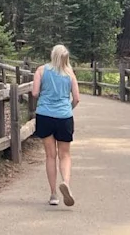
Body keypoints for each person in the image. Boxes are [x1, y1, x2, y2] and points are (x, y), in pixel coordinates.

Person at [31, 44, 80, 206]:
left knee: (50, 155)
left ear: (52, 55)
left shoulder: (41, 70)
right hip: (64, 117)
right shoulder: (70, 74)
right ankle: (65, 182)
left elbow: (35, 93)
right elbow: (77, 98)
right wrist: (68, 109)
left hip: (45, 115)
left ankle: (53, 194)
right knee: (65, 155)